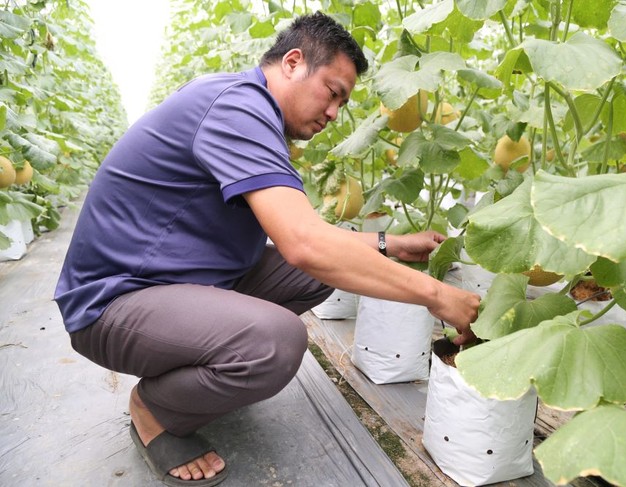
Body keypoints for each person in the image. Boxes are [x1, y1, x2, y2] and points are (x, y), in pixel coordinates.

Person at [54, 11, 480, 487]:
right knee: (276, 342)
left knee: (322, 272)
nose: (335, 112)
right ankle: (154, 407)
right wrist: (440, 297)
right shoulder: (237, 106)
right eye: (333, 92)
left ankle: (201, 372)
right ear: (293, 62)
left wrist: (390, 242)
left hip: (178, 280)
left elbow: (304, 234)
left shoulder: (251, 110)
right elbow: (303, 244)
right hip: (112, 303)